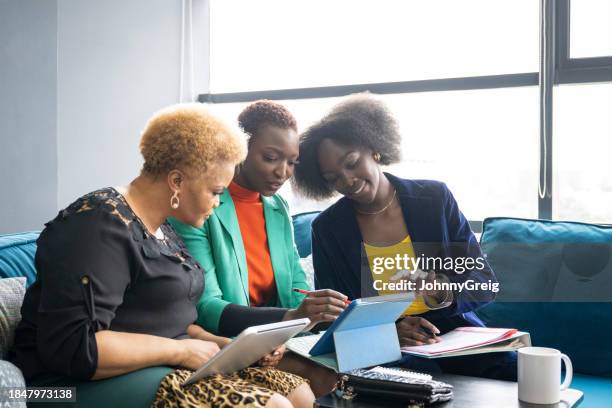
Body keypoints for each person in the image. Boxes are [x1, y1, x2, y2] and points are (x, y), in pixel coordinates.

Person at [9, 104, 314, 407]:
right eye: (215, 191)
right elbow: (76, 347)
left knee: (297, 393)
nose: (219, 203)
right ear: (177, 181)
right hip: (59, 387)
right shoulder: (98, 224)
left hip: (150, 366)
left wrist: (234, 347)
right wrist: (179, 352)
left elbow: (174, 323)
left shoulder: (162, 229)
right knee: (273, 406)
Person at [292, 94, 517, 381]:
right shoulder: (328, 228)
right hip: (386, 348)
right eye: (333, 178)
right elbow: (335, 320)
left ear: (373, 148)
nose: (347, 181)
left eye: (351, 163)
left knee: (521, 371)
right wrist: (389, 333)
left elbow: (484, 282)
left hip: (453, 337)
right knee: (420, 380)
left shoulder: (433, 199)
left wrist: (442, 291)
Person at [169, 100, 345, 396]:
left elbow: (295, 290)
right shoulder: (200, 206)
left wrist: (306, 316)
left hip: (277, 340)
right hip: (227, 342)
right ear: (240, 149)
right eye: (271, 157)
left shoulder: (276, 207)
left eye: (292, 162)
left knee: (343, 375)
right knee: (323, 381)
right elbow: (206, 307)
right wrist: (284, 321)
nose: (283, 172)